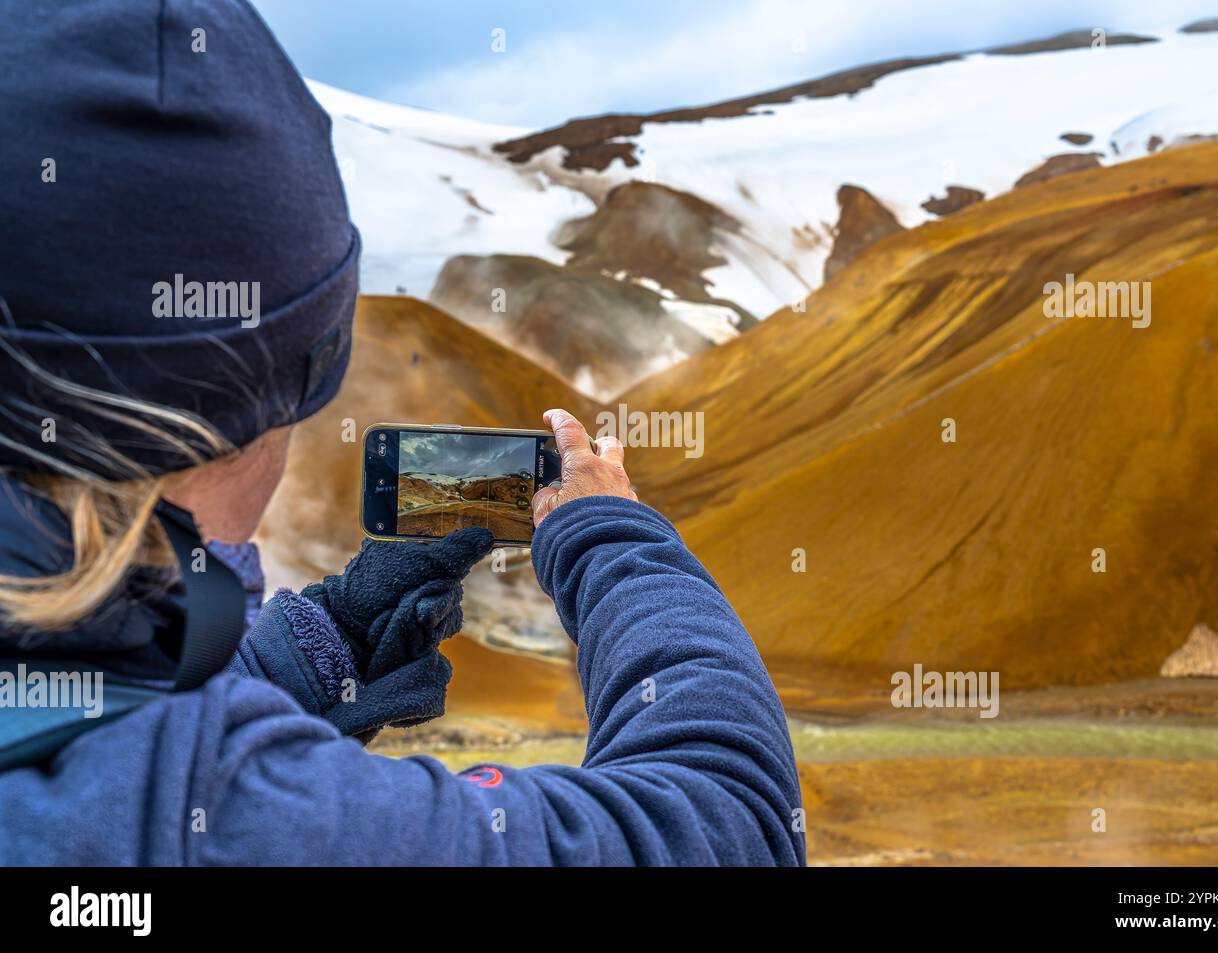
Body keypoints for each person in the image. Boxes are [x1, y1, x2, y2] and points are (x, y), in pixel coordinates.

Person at [0, 0, 804, 865]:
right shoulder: (230, 819)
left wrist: (316, 650)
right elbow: (734, 819)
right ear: (240, 420)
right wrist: (611, 539)